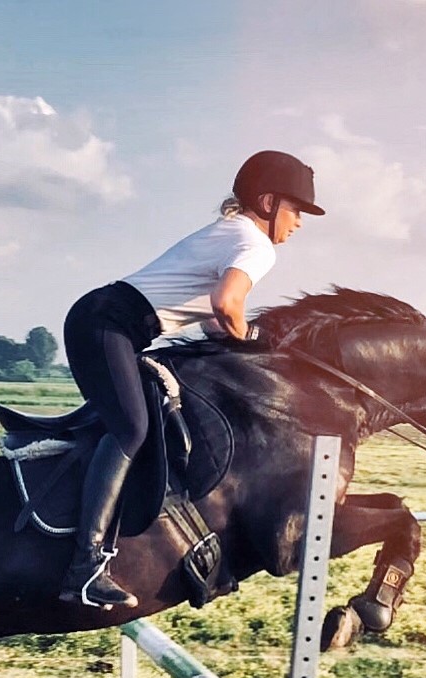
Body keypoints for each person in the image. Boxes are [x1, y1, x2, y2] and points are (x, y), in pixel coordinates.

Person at [59, 150, 326, 608]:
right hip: (108, 325)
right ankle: (84, 566)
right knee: (131, 429)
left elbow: (215, 323)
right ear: (268, 202)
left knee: (139, 424)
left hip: (105, 321)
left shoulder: (233, 232)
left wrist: (261, 342)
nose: (299, 222)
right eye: (296, 209)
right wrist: (252, 338)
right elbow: (227, 305)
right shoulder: (256, 245)